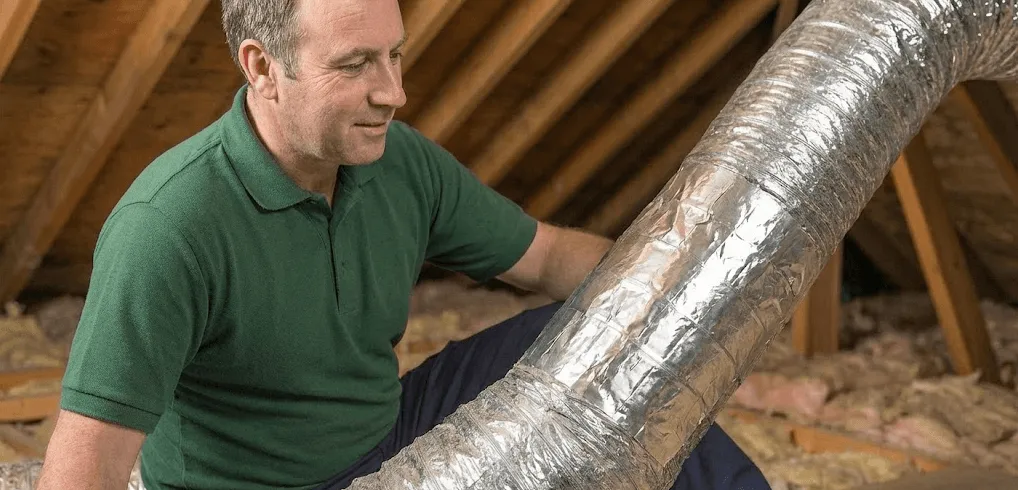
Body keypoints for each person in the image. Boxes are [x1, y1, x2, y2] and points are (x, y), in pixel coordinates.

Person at [36, 1, 770, 489]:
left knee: (586, 333)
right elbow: (82, 472)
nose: (394, 92)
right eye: (355, 65)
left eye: (394, 55)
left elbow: (548, 258)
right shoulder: (169, 227)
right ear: (262, 68)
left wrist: (692, 296)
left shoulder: (396, 161)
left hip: (392, 436)